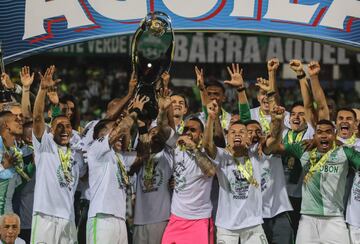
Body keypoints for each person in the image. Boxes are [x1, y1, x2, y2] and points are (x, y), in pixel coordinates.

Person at [274, 119, 360, 244]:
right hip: (307, 220)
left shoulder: (344, 153)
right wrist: (275, 126)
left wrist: (340, 143)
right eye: (319, 132)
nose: (324, 135)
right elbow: (275, 147)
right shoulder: (303, 149)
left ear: (334, 135)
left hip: (334, 219)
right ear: (314, 137)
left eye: (328, 132)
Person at [31, 65, 85, 243]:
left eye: (67, 126)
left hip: (68, 218)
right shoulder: (45, 146)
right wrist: (42, 89)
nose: (64, 130)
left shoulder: (77, 153)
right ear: (50, 130)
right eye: (59, 126)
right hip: (45, 215)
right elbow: (37, 118)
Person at [86, 95, 149, 244]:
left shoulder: (121, 157)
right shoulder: (96, 150)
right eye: (113, 129)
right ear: (100, 135)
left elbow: (144, 154)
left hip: (120, 219)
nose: (120, 135)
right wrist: (134, 111)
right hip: (101, 217)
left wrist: (141, 126)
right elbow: (120, 130)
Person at [159, 89, 216, 244]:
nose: (188, 132)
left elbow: (210, 171)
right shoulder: (177, 147)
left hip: (199, 220)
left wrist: (194, 148)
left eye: (193, 130)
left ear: (201, 135)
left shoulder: (206, 151)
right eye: (185, 129)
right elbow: (162, 129)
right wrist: (162, 110)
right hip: (176, 218)